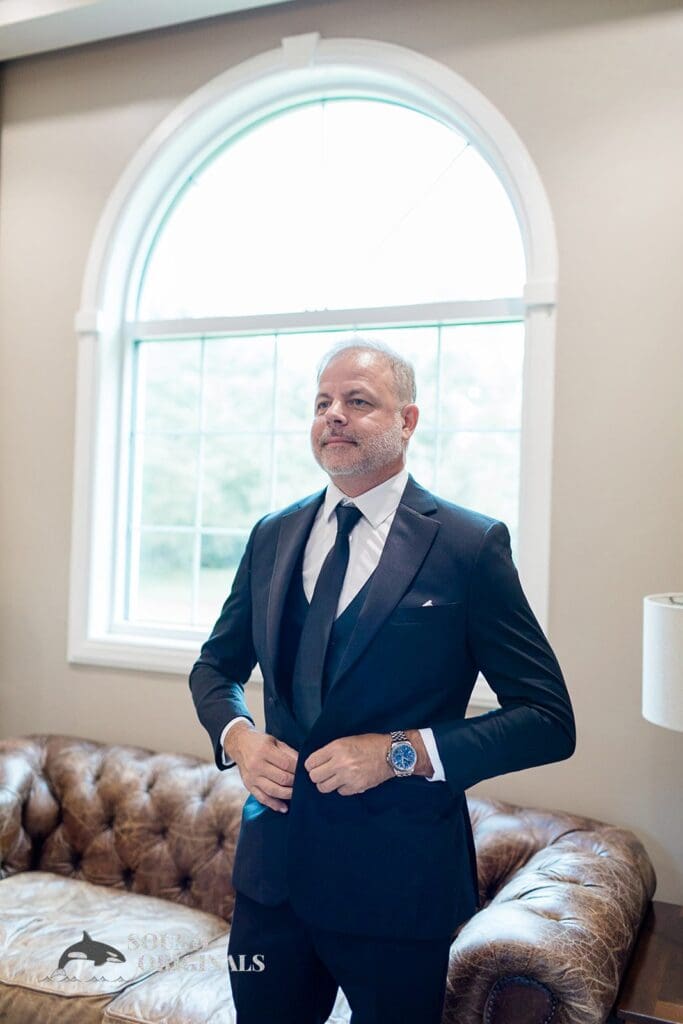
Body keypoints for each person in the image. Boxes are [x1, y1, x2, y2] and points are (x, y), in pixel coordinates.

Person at [189, 338, 576, 1024]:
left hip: (397, 888)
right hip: (270, 881)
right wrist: (240, 737)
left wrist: (399, 752)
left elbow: (546, 718)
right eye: (321, 402)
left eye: (357, 401)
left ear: (407, 421)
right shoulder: (273, 533)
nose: (333, 415)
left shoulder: (466, 544)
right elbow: (215, 668)